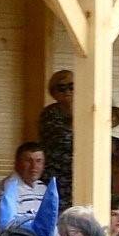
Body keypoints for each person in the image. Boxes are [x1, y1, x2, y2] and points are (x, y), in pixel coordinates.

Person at [39, 70, 74, 207]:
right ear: (54, 93)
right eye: (61, 88)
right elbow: (64, 140)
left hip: (78, 176)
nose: (68, 91)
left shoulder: (85, 111)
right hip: (57, 177)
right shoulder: (50, 113)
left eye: (72, 86)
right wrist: (74, 115)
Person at [0, 142, 48, 218]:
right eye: (28, 161)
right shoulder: (6, 189)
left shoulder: (42, 188)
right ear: (17, 164)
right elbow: (12, 226)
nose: (34, 166)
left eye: (38, 161)